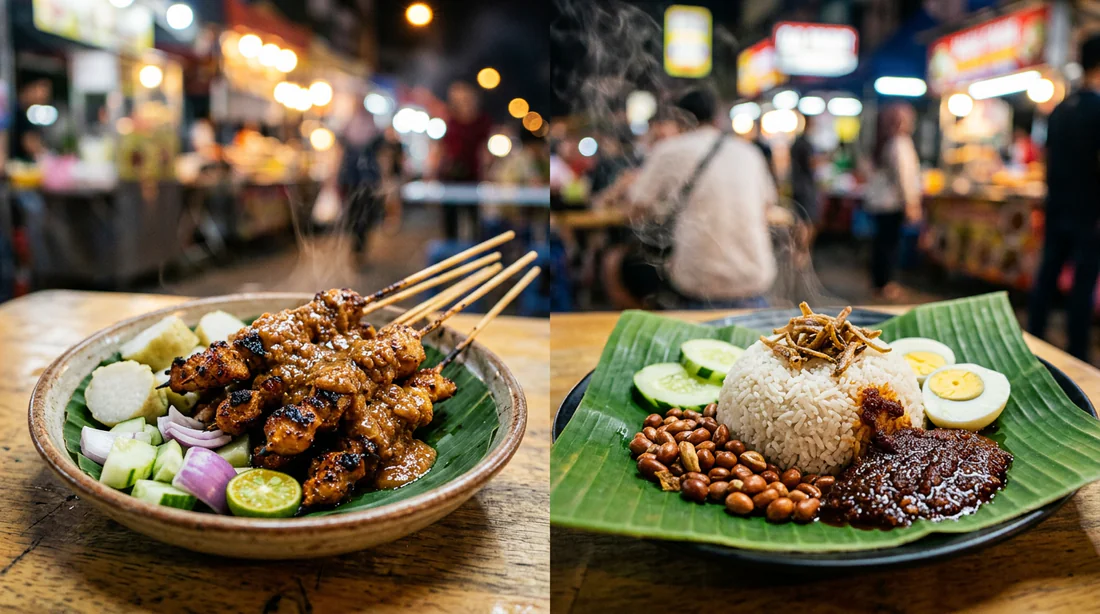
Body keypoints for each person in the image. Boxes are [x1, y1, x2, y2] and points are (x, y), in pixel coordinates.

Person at [607, 86, 777, 308]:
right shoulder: (749, 152)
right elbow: (767, 205)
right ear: (717, 118)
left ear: (680, 118)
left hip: (698, 283)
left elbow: (636, 206)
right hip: (754, 279)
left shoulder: (669, 150)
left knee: (614, 262)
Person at [1027, 35, 1100, 361]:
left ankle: (1032, 340)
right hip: (1088, 211)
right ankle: (1077, 354)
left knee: (1047, 277)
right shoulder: (1097, 108)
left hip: (1057, 207)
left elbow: (1046, 161)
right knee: (1082, 285)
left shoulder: (1059, 110)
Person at [865, 102, 922, 301]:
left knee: (881, 245)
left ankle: (879, 283)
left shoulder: (886, 142)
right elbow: (904, 176)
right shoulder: (899, 143)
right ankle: (886, 284)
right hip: (891, 204)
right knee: (889, 246)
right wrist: (911, 203)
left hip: (881, 204)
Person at [430, 81, 492, 239]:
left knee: (474, 220)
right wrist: (433, 170)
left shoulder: (482, 121)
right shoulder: (447, 118)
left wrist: (487, 172)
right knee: (450, 221)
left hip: (472, 175)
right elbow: (440, 147)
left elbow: (485, 150)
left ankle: (477, 248)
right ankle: (452, 248)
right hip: (449, 175)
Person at [789, 113, 819, 255]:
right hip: (805, 189)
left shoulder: (796, 142)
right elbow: (811, 163)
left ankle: (799, 251)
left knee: (800, 220)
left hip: (797, 187)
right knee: (808, 221)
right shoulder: (805, 143)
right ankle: (803, 252)